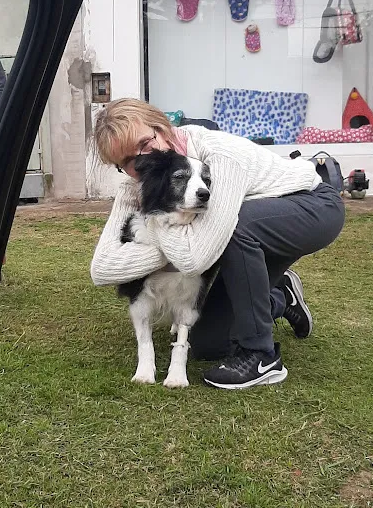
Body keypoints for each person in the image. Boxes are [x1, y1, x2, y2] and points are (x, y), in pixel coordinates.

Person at [90, 98, 345, 390]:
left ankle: (261, 355)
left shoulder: (219, 157)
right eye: (128, 161)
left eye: (145, 143)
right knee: (208, 343)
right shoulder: (137, 184)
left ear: (162, 128)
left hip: (311, 205)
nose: (143, 160)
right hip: (254, 233)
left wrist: (154, 221)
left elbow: (194, 259)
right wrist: (156, 217)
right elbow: (102, 269)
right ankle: (280, 296)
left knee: (236, 227)